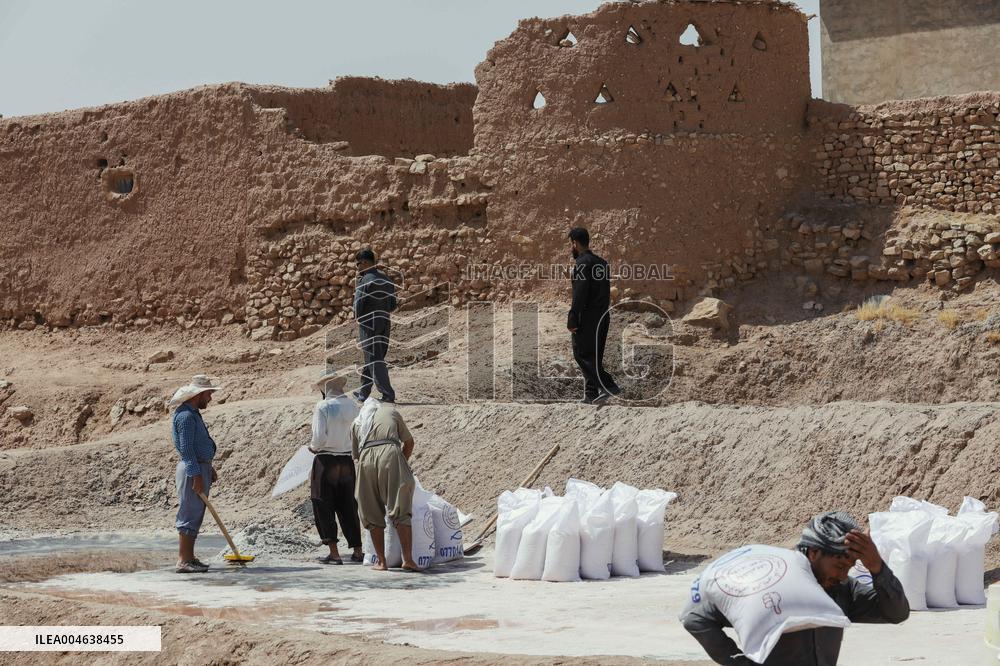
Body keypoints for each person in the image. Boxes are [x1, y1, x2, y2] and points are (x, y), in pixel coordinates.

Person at [681, 511, 910, 665]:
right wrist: (739, 662)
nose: (843, 576)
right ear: (813, 553)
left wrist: (877, 568)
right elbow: (696, 619)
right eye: (840, 566)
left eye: (849, 568)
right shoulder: (769, 584)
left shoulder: (843, 590)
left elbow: (896, 613)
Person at [351, 398, 418, 571]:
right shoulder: (391, 412)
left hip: (366, 460)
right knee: (400, 507)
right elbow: (409, 442)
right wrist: (401, 463)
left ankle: (381, 561)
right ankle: (408, 560)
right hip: (390, 454)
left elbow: (356, 456)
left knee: (371, 511)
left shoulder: (357, 423)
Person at [169, 375, 223, 574]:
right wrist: (196, 475)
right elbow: (186, 449)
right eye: (208, 394)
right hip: (193, 469)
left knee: (196, 514)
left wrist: (208, 468)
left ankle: (190, 558)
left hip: (200, 467)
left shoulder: (192, 414)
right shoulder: (185, 416)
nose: (210, 398)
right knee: (189, 513)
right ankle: (183, 560)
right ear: (198, 394)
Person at [309, 370, 363, 564]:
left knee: (323, 503)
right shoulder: (354, 406)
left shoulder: (323, 406)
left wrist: (312, 448)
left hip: (325, 460)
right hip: (347, 461)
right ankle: (358, 549)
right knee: (348, 504)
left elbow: (319, 438)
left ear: (325, 388)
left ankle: (334, 552)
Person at [567, 227, 620, 404]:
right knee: (593, 355)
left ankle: (608, 385)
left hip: (588, 317)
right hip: (603, 315)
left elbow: (580, 294)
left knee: (581, 353)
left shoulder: (582, 264)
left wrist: (573, 317)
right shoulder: (602, 263)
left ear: (575, 243)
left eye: (571, 244)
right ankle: (591, 394)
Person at [352, 249, 397, 404]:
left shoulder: (364, 280)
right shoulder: (387, 279)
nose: (357, 267)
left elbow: (358, 304)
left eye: (358, 264)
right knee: (373, 356)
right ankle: (363, 393)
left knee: (373, 358)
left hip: (369, 324)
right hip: (384, 322)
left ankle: (387, 394)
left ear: (364, 262)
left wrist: (357, 318)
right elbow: (393, 304)